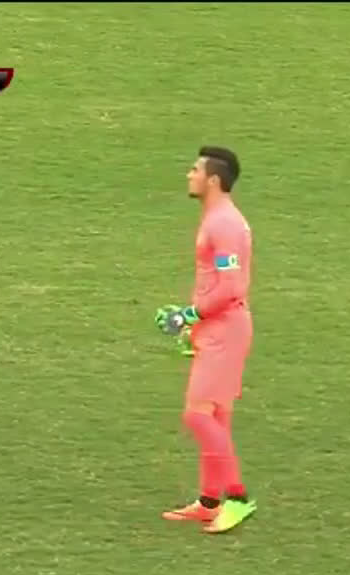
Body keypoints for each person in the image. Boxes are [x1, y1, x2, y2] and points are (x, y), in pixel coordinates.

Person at [155, 146, 256, 534]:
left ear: (213, 180)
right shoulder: (219, 219)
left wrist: (189, 314)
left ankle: (237, 498)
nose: (189, 175)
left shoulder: (224, 225)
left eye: (195, 170)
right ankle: (210, 501)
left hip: (224, 330)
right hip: (218, 328)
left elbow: (231, 287)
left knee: (197, 414)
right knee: (215, 415)